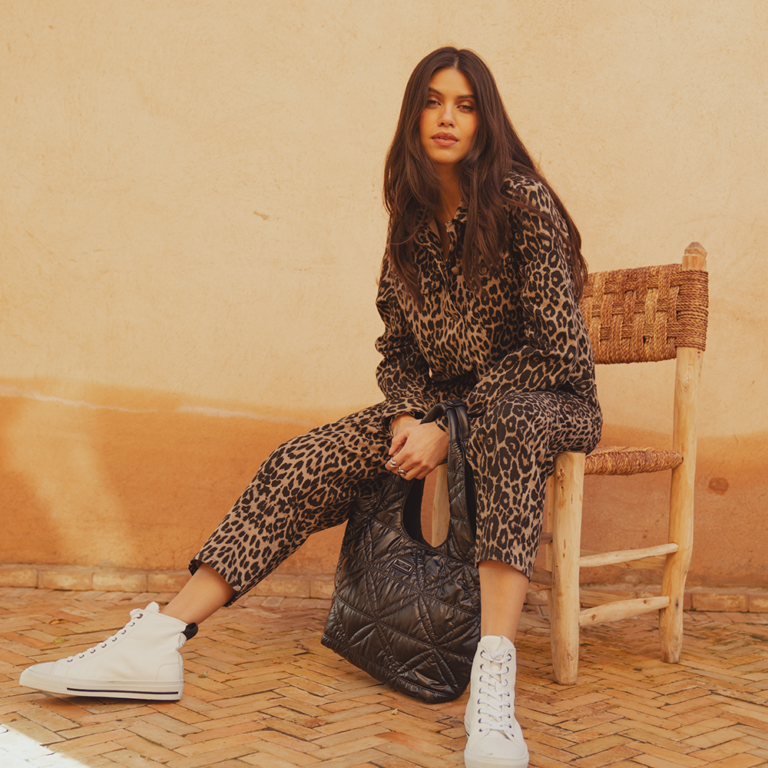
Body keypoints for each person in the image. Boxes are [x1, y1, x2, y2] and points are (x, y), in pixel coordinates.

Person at [20, 47, 602, 768]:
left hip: (545, 398)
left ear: (486, 120)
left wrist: (451, 429)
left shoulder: (521, 202)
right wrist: (408, 417)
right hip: (441, 410)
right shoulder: (410, 219)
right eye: (432, 101)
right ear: (413, 116)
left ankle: (493, 686)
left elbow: (557, 349)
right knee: (306, 458)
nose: (447, 117)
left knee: (507, 427)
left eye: (464, 104)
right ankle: (159, 639)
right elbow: (398, 348)